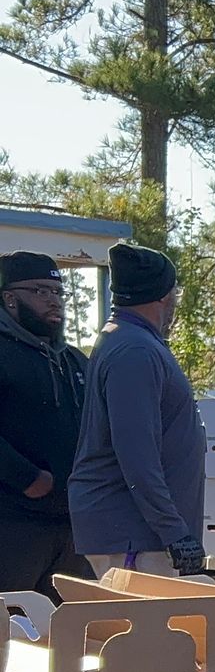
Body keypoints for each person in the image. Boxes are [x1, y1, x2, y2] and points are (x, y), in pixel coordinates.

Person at [68, 243, 205, 578]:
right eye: (175, 292)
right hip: (133, 535)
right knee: (148, 631)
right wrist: (174, 531)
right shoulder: (134, 351)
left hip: (137, 532)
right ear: (163, 295)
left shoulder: (130, 340)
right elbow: (136, 453)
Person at [0, 252, 91, 598]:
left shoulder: (74, 361)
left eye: (58, 291)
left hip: (70, 528)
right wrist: (28, 479)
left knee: (64, 638)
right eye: (41, 291)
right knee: (9, 633)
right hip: (13, 525)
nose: (54, 300)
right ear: (10, 298)